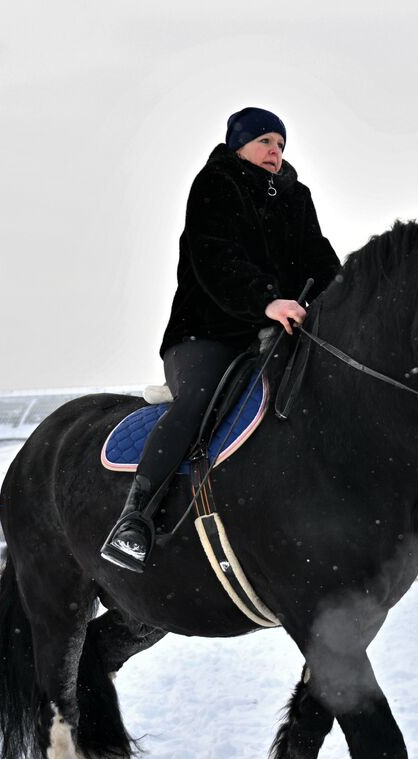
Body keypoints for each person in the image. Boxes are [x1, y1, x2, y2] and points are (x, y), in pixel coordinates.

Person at [101, 107, 341, 571]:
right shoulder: (215, 184)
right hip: (207, 334)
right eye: (265, 142)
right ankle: (135, 521)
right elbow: (216, 259)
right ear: (239, 144)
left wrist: (346, 299)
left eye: (281, 145)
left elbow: (321, 261)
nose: (275, 152)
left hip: (277, 334)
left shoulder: (296, 197)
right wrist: (267, 301)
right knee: (198, 401)